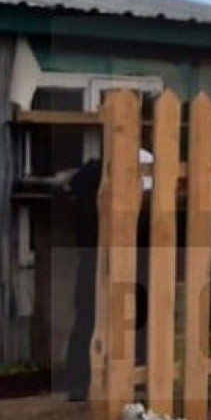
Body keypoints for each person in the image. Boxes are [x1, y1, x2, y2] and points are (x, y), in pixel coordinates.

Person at [60, 148, 154, 401]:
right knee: (127, 316)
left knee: (91, 316)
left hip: (97, 254)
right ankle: (125, 379)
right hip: (121, 254)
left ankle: (80, 383)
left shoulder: (92, 170)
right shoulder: (143, 164)